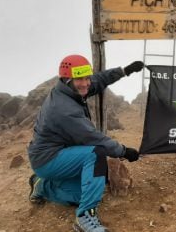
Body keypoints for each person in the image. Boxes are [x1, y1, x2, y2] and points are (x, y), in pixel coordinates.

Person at [27, 54, 144, 232]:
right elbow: (95, 139)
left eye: (86, 77)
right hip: (48, 159)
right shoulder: (64, 109)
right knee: (97, 154)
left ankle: (43, 185)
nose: (86, 83)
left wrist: (124, 71)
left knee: (87, 191)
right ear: (67, 79)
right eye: (79, 79)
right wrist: (124, 151)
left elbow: (98, 80)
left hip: (59, 155)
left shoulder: (72, 89)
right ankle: (85, 217)